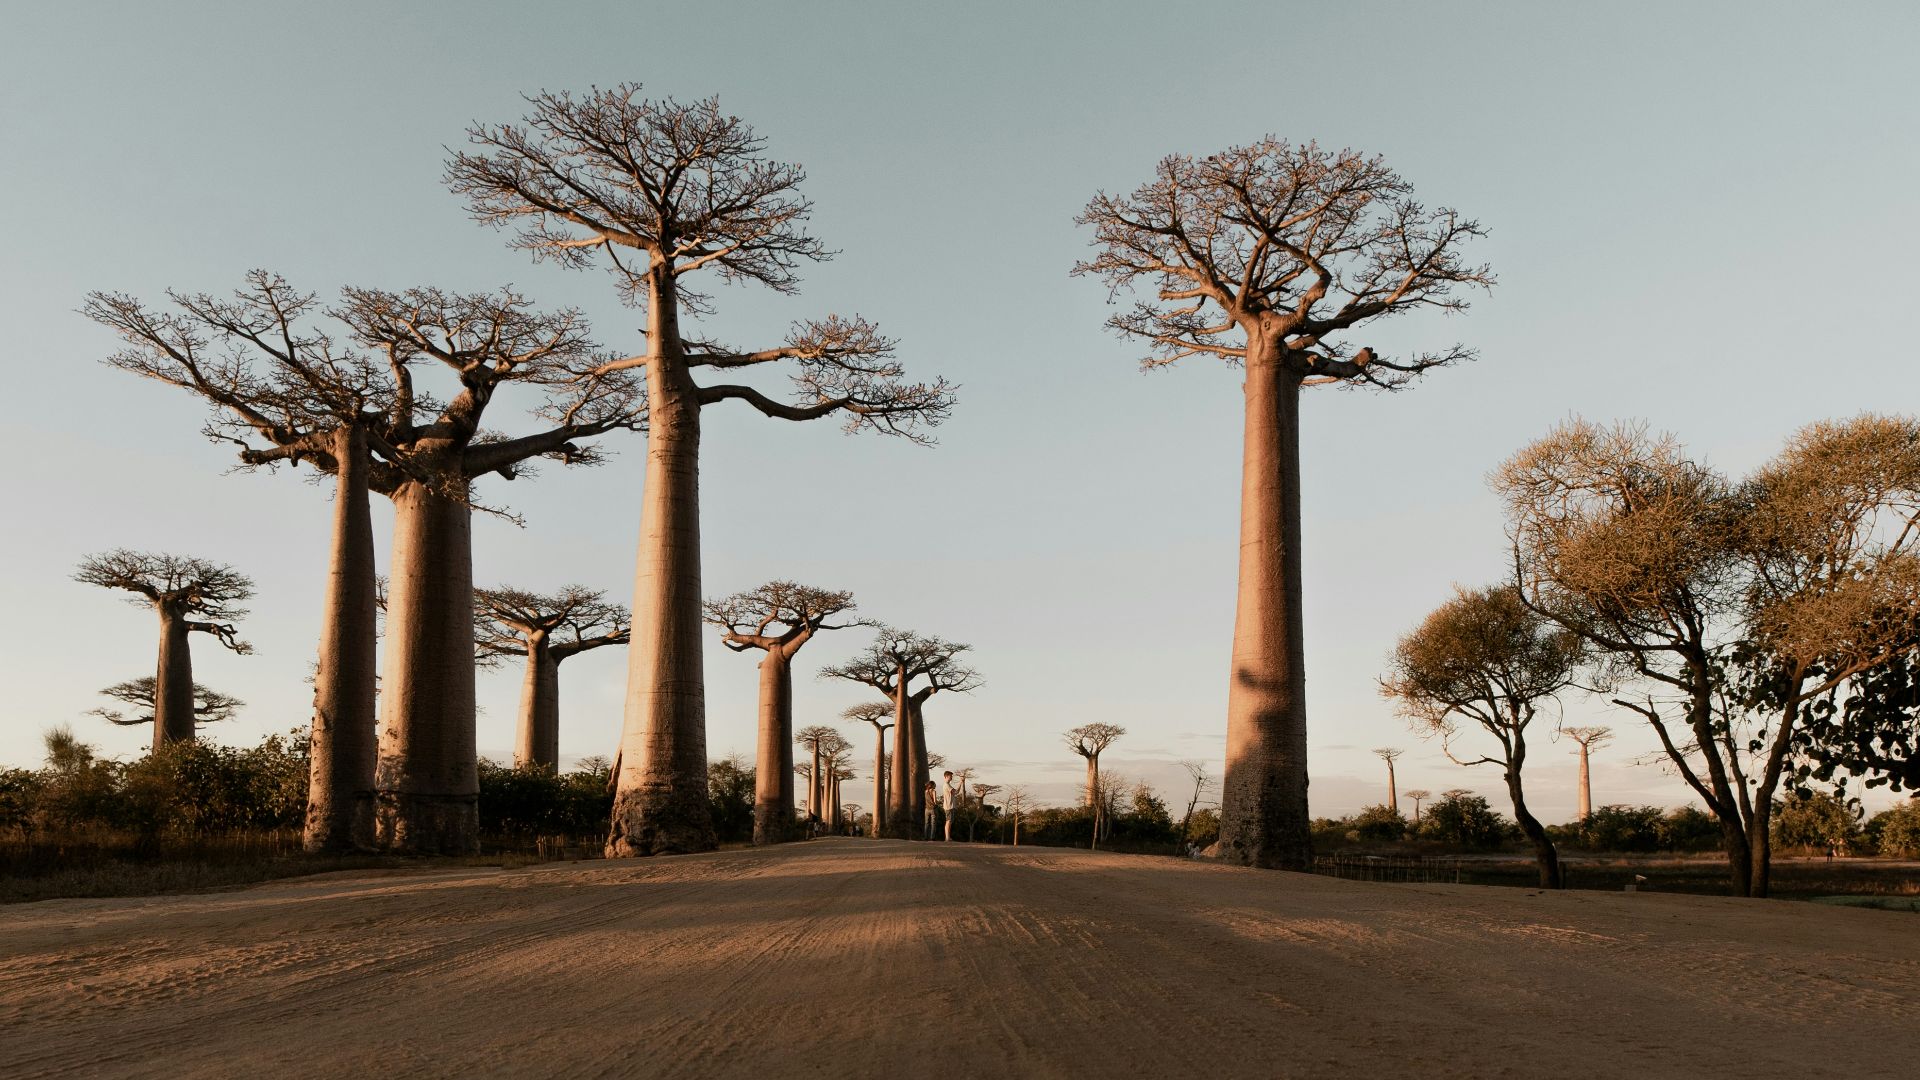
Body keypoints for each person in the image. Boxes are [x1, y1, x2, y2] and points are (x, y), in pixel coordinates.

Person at [942, 771, 960, 842]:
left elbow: (956, 792)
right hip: (948, 806)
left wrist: (961, 783)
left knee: (950, 821)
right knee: (948, 821)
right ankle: (947, 837)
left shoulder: (948, 785)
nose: (951, 777)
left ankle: (948, 837)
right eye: (950, 776)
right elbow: (956, 792)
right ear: (946, 776)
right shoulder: (946, 785)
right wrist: (961, 782)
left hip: (950, 806)